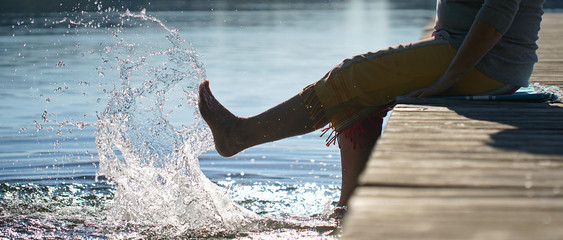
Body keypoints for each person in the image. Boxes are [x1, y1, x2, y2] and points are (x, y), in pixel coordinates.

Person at [198, 0, 545, 218]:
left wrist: (447, 79)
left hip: (484, 63)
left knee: (352, 77)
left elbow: (499, 12)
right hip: (466, 53)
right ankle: (348, 209)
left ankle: (239, 135)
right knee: (360, 94)